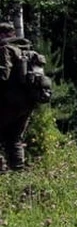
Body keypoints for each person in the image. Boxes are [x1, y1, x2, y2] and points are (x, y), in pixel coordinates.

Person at [0, 22, 39, 171]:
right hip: (27, 103)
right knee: (14, 138)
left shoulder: (5, 49)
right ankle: (18, 171)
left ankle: (2, 170)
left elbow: (3, 76)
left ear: (3, 35)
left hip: (8, 102)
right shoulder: (27, 51)